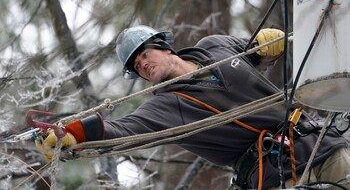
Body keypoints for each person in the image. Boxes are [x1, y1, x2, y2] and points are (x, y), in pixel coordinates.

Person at [35, 25, 350, 189]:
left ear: (164, 46)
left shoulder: (215, 46)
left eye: (144, 55)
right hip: (276, 178)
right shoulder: (166, 106)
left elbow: (258, 50)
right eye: (135, 65)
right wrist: (71, 134)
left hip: (322, 146)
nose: (142, 64)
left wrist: (271, 44)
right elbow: (121, 129)